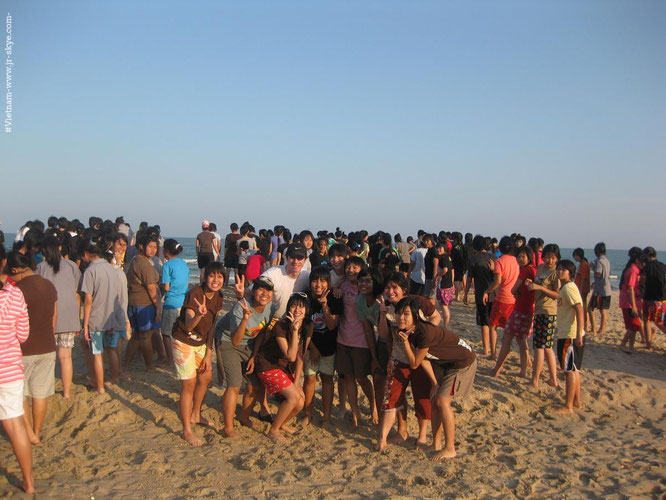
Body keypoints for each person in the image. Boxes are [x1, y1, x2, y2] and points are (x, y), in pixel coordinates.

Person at [398, 297, 477, 460]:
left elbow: (414, 363)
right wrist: (434, 383)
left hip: (462, 363)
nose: (401, 317)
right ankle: (436, 444)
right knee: (434, 399)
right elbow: (425, 359)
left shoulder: (424, 332)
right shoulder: (411, 331)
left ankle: (450, 448)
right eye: (399, 313)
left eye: (406, 314)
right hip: (444, 364)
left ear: (416, 316)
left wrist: (405, 344)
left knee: (442, 401)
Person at [170, 262, 225, 446]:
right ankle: (186, 430)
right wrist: (199, 315)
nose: (215, 280)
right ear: (204, 277)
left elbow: (212, 328)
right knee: (189, 384)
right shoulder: (195, 294)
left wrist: (209, 353)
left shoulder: (219, 298)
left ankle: (196, 414)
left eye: (219, 277)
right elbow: (187, 326)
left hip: (201, 342)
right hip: (183, 340)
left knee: (206, 376)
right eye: (212, 276)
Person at [7, 251, 57, 445]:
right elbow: (54, 318)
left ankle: (28, 433)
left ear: (14, 270)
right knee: (40, 393)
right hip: (47, 344)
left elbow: (12, 321)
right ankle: (37, 430)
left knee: (20, 394)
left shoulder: (17, 290)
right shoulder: (49, 285)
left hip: (24, 347)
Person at [249, 293, 312, 442]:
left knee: (300, 402)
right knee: (293, 397)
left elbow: (300, 356)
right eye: (294, 305)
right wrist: (295, 330)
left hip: (282, 369)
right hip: (267, 366)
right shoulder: (281, 326)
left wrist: (296, 383)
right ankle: (274, 430)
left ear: (307, 310)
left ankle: (282, 423)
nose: (297, 310)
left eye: (302, 306)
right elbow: (290, 356)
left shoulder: (308, 325)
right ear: (288, 307)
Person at [216, 276, 274, 437]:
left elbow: (261, 333)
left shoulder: (270, 307)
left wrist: (254, 357)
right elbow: (235, 340)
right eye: (261, 289)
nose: (265, 294)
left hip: (249, 344)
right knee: (234, 385)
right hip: (228, 340)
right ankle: (228, 427)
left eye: (268, 290)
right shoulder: (240, 307)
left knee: (254, 385)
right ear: (253, 291)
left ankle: (244, 417)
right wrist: (245, 319)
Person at [0, 247, 35, 494]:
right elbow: (23, 334)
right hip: (9, 368)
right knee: (15, 425)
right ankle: (29, 483)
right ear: (4, 262)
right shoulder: (15, 295)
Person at [36, 236, 81, 398]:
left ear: (44, 251)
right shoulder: (71, 266)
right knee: (66, 356)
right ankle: (67, 393)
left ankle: (47, 391)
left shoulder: (41, 267)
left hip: (49, 315)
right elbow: (75, 290)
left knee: (50, 358)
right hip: (69, 315)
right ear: (60, 248)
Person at [487, 245, 536, 379]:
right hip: (524, 308)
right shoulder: (532, 270)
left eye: (523, 257)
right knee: (521, 340)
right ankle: (523, 370)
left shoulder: (526, 271)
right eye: (519, 256)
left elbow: (513, 289)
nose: (520, 259)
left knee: (506, 339)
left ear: (529, 257)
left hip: (519, 310)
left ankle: (496, 369)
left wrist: (517, 293)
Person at [80, 240, 122, 392]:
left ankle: (100, 387)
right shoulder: (111, 268)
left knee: (97, 354)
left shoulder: (90, 271)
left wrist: (85, 325)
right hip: (110, 317)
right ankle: (115, 377)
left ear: (86, 253)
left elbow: (88, 300)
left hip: (96, 318)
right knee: (111, 349)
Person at [303, 267, 342, 425]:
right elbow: (302, 327)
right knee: (310, 379)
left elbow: (332, 325)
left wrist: (325, 306)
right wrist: (312, 348)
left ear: (329, 283)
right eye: (314, 280)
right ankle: (307, 414)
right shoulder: (305, 298)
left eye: (323, 281)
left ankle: (326, 416)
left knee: (327, 379)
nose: (318, 284)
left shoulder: (334, 298)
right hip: (310, 346)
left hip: (329, 347)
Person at [525, 243, 560, 389]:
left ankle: (535, 380)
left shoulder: (555, 273)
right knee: (546, 347)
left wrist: (539, 287)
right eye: (547, 257)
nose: (549, 261)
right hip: (538, 309)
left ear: (557, 259)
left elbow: (557, 294)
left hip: (548, 312)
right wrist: (531, 284)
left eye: (552, 258)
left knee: (540, 347)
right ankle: (553, 379)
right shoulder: (540, 268)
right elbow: (536, 284)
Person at [124, 233, 162, 372]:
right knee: (146, 336)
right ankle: (149, 366)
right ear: (141, 246)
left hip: (134, 302)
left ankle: (126, 365)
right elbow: (152, 289)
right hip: (144, 304)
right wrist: (158, 307)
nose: (153, 250)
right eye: (150, 247)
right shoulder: (143, 263)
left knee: (137, 336)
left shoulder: (135, 260)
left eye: (155, 247)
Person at [553, 260, 585, 414]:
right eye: (558, 269)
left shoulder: (569, 288)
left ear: (570, 273)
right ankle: (577, 401)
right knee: (574, 369)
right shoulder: (565, 288)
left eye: (563, 270)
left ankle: (569, 405)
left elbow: (579, 309)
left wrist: (579, 333)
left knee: (569, 370)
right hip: (567, 333)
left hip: (570, 335)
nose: (560, 272)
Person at [483, 236, 519, 361]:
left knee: (493, 326)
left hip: (502, 297)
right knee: (510, 330)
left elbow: (498, 281)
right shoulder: (516, 261)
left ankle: (493, 353)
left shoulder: (499, 261)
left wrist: (487, 291)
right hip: (513, 299)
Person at [464, 235, 496, 356]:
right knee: (493, 323)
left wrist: (466, 294)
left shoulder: (474, 259)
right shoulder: (493, 257)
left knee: (484, 322)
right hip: (493, 293)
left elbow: (469, 279)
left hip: (480, 293)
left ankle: (486, 349)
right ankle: (493, 350)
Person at [160, 239, 189, 365]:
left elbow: (166, 287)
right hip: (183, 301)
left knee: (166, 333)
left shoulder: (167, 265)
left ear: (166, 251)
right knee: (180, 332)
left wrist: (160, 286)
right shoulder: (183, 263)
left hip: (171, 301)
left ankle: (170, 360)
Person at [639, 247, 666, 350]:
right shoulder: (662, 266)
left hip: (649, 298)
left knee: (647, 321)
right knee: (660, 321)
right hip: (663, 299)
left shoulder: (646, 267)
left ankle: (648, 344)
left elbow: (642, 281)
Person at [618, 248, 644, 353]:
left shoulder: (634, 270)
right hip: (628, 302)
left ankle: (631, 346)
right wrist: (633, 306)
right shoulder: (633, 271)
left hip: (630, 301)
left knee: (634, 326)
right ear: (637, 260)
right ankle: (623, 343)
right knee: (635, 325)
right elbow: (630, 288)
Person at [589, 242, 611, 336]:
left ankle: (595, 329)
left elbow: (598, 273)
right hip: (606, 288)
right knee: (603, 310)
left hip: (600, 290)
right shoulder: (606, 260)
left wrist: (592, 267)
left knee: (591, 308)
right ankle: (601, 329)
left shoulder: (599, 262)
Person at [434, 242, 454, 327]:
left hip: (444, 285)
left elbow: (445, 269)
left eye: (440, 248)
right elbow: (452, 271)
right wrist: (452, 283)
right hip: (449, 284)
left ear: (444, 249)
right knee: (445, 305)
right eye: (437, 248)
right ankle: (446, 324)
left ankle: (445, 326)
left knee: (444, 306)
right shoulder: (449, 258)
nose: (438, 250)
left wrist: (438, 276)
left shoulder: (442, 258)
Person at [572, 248, 590, 332]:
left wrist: (580, 290)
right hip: (579, 288)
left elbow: (583, 279)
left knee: (582, 307)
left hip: (582, 289)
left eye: (575, 256)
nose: (575, 258)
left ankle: (585, 324)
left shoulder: (584, 265)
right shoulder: (581, 264)